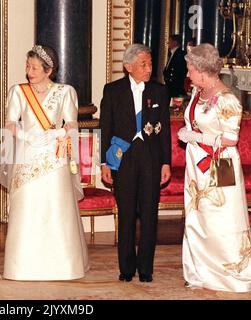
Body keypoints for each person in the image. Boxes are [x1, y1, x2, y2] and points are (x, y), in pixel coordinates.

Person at [177, 43, 251, 292]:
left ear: (202, 71)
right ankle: (200, 272)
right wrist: (191, 135)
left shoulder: (228, 100)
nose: (188, 74)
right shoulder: (196, 92)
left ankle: (232, 277)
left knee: (222, 219)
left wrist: (196, 138)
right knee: (198, 219)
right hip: (196, 166)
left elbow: (230, 139)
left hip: (219, 164)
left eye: (190, 69)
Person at [2, 45, 89, 280]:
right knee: (28, 208)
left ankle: (62, 265)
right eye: (28, 66)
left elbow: (72, 125)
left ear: (48, 70)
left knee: (54, 209)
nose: (29, 71)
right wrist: (24, 135)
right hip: (27, 155)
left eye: (34, 67)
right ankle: (22, 266)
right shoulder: (18, 92)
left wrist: (56, 134)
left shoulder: (65, 92)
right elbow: (10, 123)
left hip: (54, 156)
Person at [100, 44, 171, 283]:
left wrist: (166, 162)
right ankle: (127, 268)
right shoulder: (112, 90)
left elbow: (165, 132)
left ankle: (146, 268)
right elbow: (105, 129)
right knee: (127, 214)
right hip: (124, 159)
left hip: (151, 159)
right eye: (143, 64)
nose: (149, 68)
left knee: (150, 214)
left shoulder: (159, 91)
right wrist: (104, 163)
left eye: (150, 63)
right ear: (128, 66)